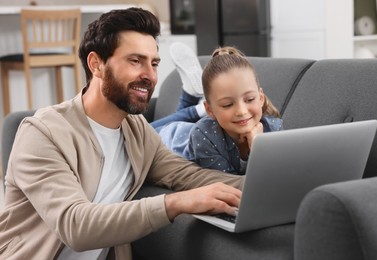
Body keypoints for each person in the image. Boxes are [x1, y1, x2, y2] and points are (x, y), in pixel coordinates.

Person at [0, 8, 243, 260]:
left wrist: (267, 185)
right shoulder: (43, 133)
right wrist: (175, 203)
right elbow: (76, 225)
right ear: (96, 64)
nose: (149, 75)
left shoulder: (137, 131)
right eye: (135, 61)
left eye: (154, 63)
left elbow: (186, 175)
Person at [151, 43, 283, 174]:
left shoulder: (274, 129)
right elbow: (232, 184)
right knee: (137, 131)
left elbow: (281, 174)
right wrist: (257, 148)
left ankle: (189, 95)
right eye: (227, 105)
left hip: (193, 129)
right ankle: (194, 105)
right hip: (168, 137)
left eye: (249, 100)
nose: (242, 111)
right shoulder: (203, 136)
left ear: (261, 98)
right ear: (210, 111)